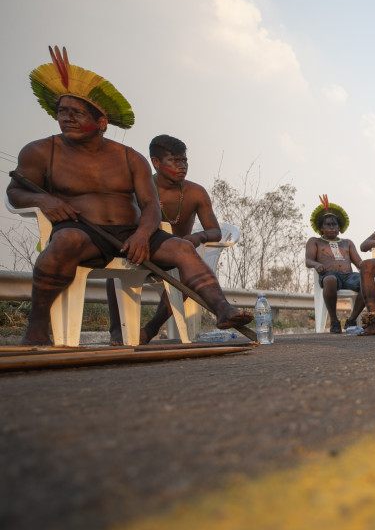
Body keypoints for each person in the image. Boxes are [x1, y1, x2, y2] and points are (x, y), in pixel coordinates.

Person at [7, 46, 250, 346]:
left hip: (134, 232)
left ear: (101, 122)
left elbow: (149, 205)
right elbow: (15, 190)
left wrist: (142, 234)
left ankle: (222, 308)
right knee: (65, 242)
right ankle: (37, 324)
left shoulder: (129, 158)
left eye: (76, 112)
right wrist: (43, 200)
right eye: (62, 112)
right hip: (82, 231)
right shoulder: (41, 151)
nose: (67, 118)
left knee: (182, 250)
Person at [107, 134, 223, 344]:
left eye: (184, 160)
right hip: (143, 252)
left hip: (176, 256)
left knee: (186, 274)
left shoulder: (196, 192)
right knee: (115, 272)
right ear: (156, 163)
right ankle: (117, 331)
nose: (182, 166)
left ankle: (150, 330)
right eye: (175, 161)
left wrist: (198, 236)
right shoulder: (139, 189)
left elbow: (215, 231)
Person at [304, 196, 366, 333]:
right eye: (328, 225)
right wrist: (316, 264)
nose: (332, 227)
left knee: (366, 282)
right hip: (329, 275)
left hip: (348, 276)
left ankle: (352, 319)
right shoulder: (315, 241)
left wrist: (369, 269)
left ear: (339, 228)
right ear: (321, 227)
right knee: (330, 280)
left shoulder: (347, 242)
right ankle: (334, 321)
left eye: (335, 225)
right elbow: (308, 260)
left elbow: (359, 263)